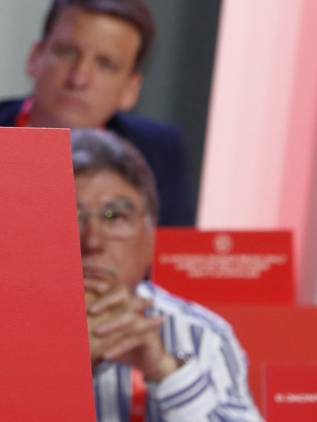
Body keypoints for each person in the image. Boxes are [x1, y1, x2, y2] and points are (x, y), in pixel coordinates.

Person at [0, 0, 195, 226]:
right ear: (35, 58)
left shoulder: (158, 154)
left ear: (130, 90)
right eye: (67, 53)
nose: (79, 78)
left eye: (105, 64)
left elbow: (165, 263)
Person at [73, 129, 260, 421]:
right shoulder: (2, 330)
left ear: (150, 238)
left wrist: (169, 373)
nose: (93, 241)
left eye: (115, 217)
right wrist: (60, 364)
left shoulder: (201, 334)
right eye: (74, 217)